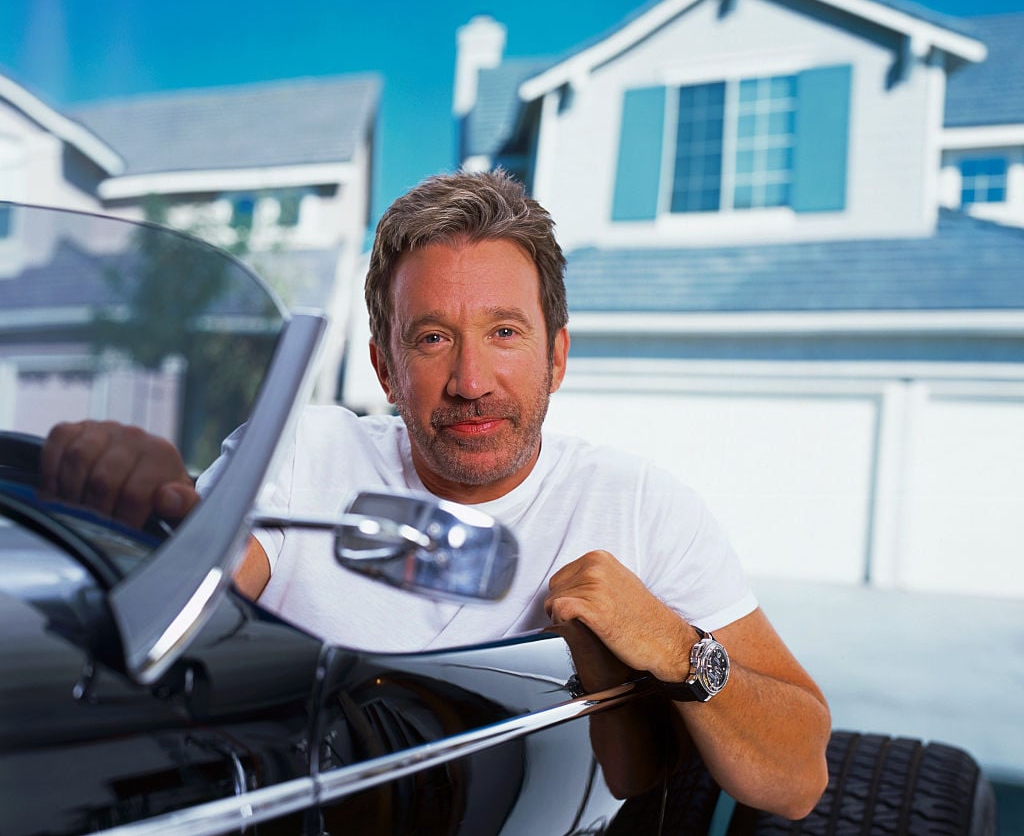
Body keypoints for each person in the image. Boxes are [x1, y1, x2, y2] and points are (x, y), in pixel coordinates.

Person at [42, 170, 830, 818]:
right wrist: (141, 523)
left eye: (505, 332)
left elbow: (797, 777)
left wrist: (676, 647)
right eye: (432, 337)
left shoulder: (640, 505)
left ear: (556, 356)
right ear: (386, 369)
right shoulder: (305, 452)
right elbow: (190, 604)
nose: (471, 382)